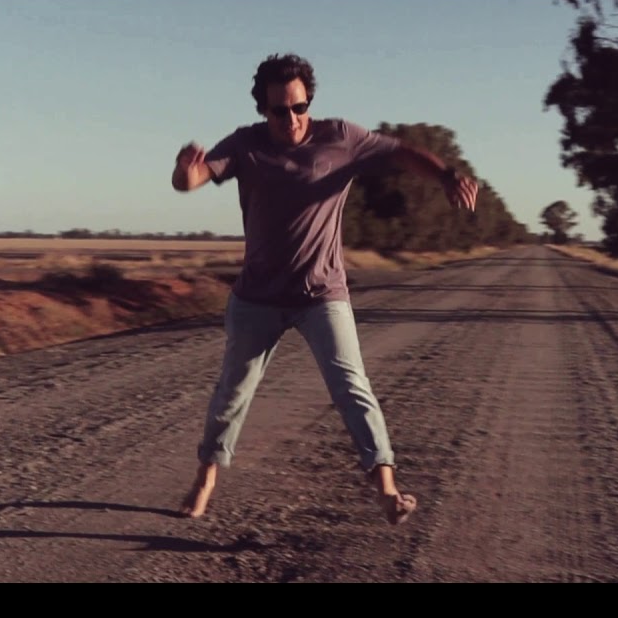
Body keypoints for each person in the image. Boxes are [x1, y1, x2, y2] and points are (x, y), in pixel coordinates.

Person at [171, 53, 479, 526]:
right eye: (279, 110)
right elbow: (192, 180)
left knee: (351, 385)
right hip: (257, 297)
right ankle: (205, 479)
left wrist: (445, 175)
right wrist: (184, 168)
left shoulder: (341, 137)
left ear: (309, 102)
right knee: (232, 393)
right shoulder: (245, 143)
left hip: (321, 294)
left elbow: (400, 152)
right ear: (263, 109)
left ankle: (387, 488)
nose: (291, 119)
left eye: (300, 107)